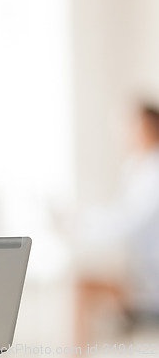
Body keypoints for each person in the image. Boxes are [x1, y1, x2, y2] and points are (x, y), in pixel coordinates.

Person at [75, 101, 159, 344]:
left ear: (146, 126)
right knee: (81, 285)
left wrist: (81, 224)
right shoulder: (136, 168)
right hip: (140, 276)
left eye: (128, 125)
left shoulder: (153, 171)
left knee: (81, 287)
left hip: (150, 284)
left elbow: (128, 224)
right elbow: (120, 216)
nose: (122, 133)